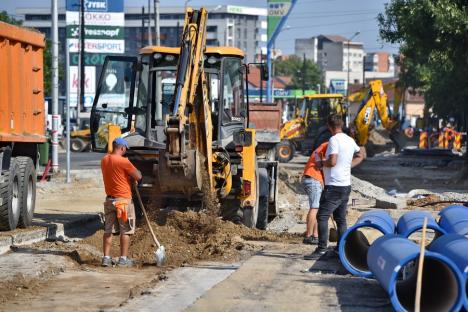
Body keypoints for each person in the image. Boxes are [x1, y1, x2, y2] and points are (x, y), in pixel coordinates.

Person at [304, 114, 364, 260]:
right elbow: (361, 154)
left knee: (322, 216)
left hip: (334, 186)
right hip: (345, 185)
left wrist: (321, 163)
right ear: (341, 125)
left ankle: (322, 249)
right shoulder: (350, 140)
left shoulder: (334, 140)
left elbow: (332, 162)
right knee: (340, 219)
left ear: (329, 126)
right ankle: (340, 250)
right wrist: (349, 166)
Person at [100, 137, 142, 267]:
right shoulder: (124, 161)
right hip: (123, 201)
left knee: (108, 230)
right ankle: (123, 259)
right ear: (122, 148)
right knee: (125, 231)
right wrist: (132, 174)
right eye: (125, 149)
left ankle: (106, 258)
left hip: (109, 200)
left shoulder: (104, 160)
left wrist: (127, 176)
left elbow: (115, 174)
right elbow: (138, 176)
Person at [302, 141, 328, 244]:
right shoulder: (328, 145)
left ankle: (315, 235)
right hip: (313, 179)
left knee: (318, 207)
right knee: (315, 207)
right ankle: (309, 236)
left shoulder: (324, 146)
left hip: (313, 179)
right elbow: (318, 156)